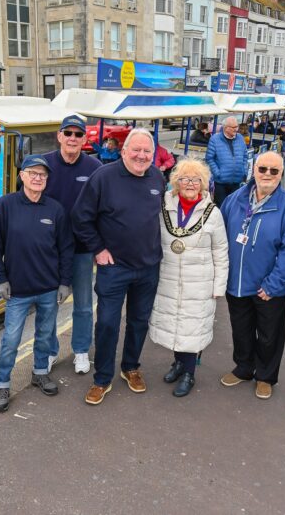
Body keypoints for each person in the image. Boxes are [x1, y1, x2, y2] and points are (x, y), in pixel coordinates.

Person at [72, 129, 165, 405]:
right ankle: (102, 378)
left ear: (153, 154)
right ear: (124, 151)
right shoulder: (103, 177)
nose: (141, 155)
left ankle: (130, 367)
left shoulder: (157, 177)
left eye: (147, 151)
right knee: (108, 324)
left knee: (139, 321)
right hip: (114, 268)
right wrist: (98, 249)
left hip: (148, 267)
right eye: (135, 150)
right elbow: (81, 217)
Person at [0, 155, 74, 412]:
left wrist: (64, 283)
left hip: (48, 289)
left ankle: (39, 373)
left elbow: (66, 249)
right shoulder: (6, 205)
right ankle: (3, 383)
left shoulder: (55, 210)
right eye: (32, 173)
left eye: (42, 175)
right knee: (11, 340)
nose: (38, 178)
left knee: (45, 336)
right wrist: (1, 278)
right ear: (22, 176)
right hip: (18, 291)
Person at [219, 151, 285, 400]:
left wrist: (275, 284)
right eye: (263, 169)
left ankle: (265, 376)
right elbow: (219, 236)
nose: (267, 174)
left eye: (274, 171)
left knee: (269, 335)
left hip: (268, 286)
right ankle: (244, 367)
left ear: (281, 174)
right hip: (236, 283)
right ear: (254, 169)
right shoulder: (234, 199)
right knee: (241, 329)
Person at [149, 157, 228, 397]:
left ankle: (189, 373)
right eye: (185, 179)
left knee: (192, 329)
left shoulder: (213, 213)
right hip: (169, 277)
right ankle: (179, 363)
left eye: (196, 179)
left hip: (200, 282)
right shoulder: (164, 206)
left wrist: (219, 286)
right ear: (176, 182)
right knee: (175, 324)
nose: (190, 184)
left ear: (203, 183)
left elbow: (221, 251)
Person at [43, 115, 103, 375]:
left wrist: (98, 246)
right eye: (68, 133)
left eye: (78, 134)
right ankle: (49, 351)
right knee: (48, 305)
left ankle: (80, 351)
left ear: (84, 139)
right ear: (59, 136)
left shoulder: (94, 167)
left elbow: (102, 209)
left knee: (83, 304)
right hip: (49, 250)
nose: (72, 138)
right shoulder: (43, 164)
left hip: (81, 250)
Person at [205, 116, 248, 208]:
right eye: (233, 127)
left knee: (234, 208)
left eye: (237, 126)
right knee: (221, 207)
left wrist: (244, 171)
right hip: (221, 182)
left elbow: (245, 156)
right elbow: (209, 158)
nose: (236, 129)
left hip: (237, 181)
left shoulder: (240, 138)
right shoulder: (215, 139)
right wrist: (218, 173)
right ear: (226, 128)